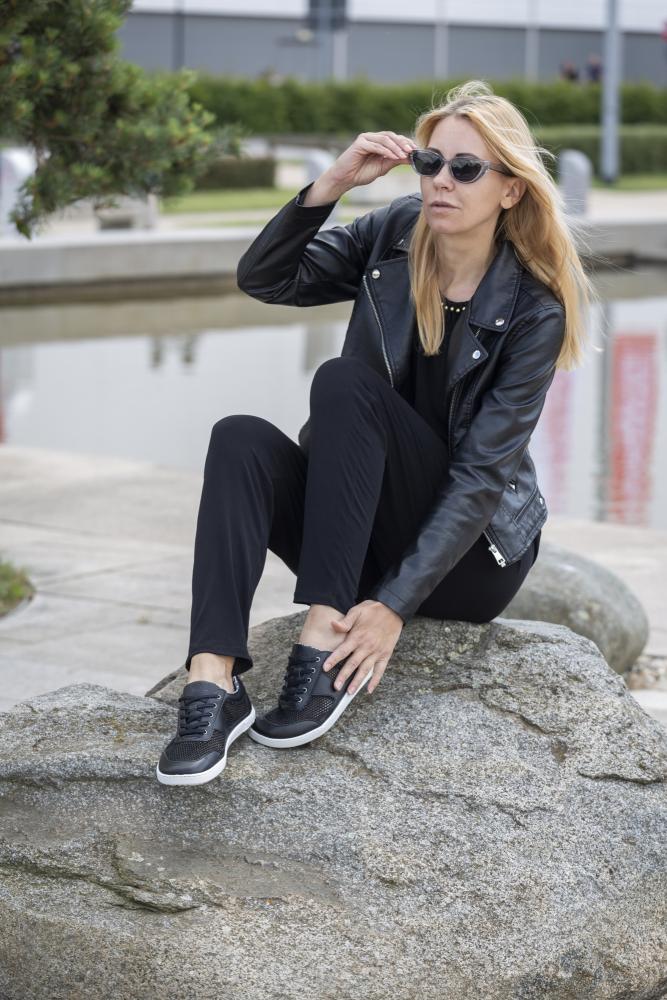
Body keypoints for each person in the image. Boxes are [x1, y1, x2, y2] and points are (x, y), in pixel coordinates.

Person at [156, 78, 595, 786]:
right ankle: (212, 682)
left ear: (510, 189)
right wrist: (331, 182)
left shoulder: (534, 311)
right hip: (358, 531)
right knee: (237, 436)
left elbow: (481, 477)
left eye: (465, 168)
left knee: (342, 381)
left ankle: (321, 640)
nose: (440, 181)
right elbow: (266, 278)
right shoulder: (392, 235)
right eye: (429, 162)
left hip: (467, 564)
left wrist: (390, 608)